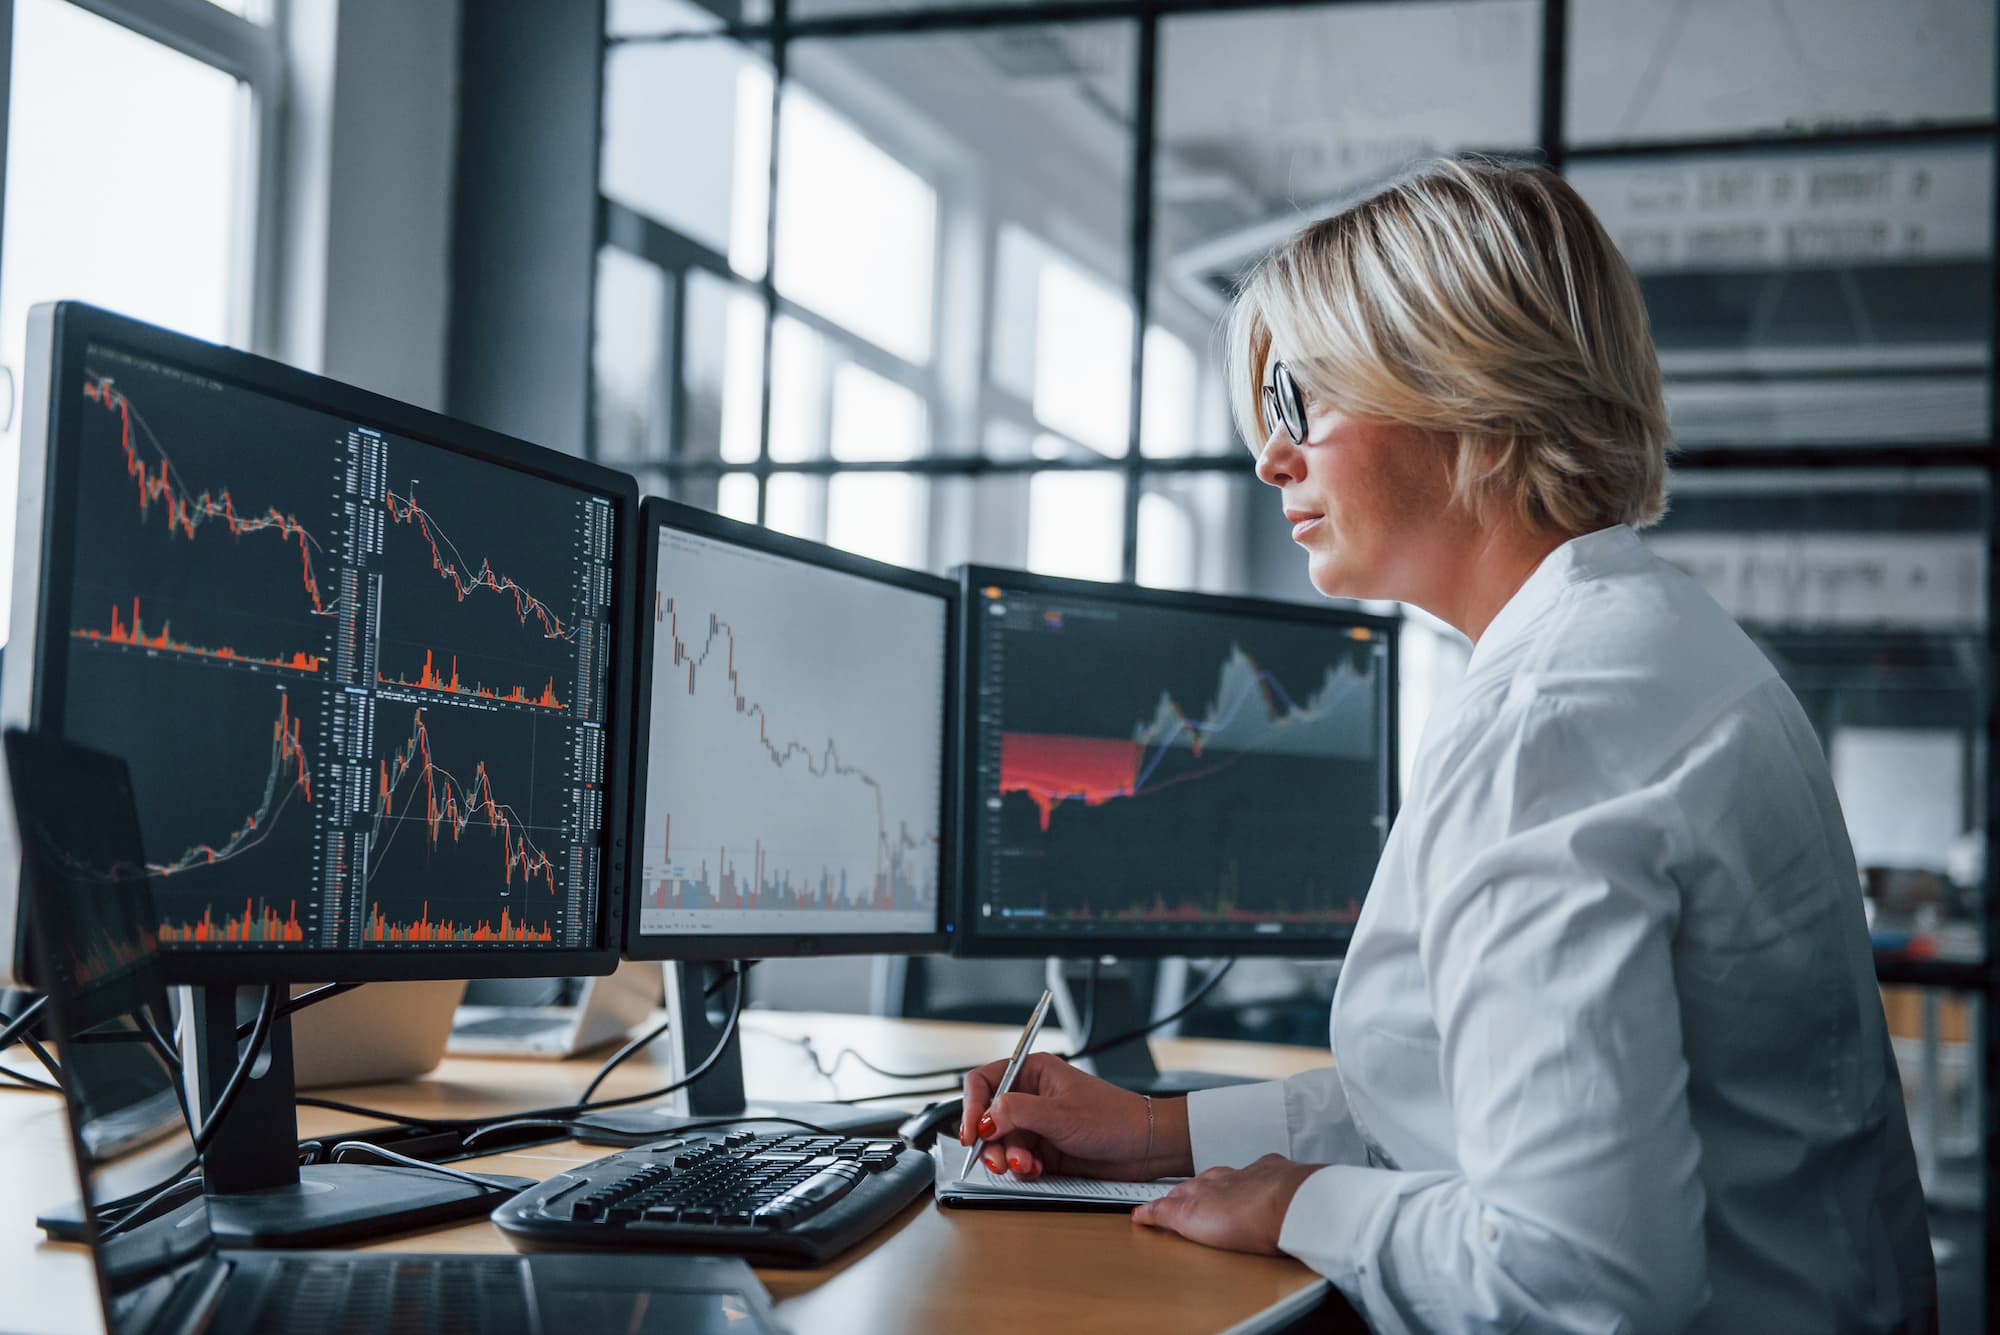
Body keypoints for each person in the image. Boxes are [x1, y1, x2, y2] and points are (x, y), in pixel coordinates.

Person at [959, 157, 1937, 1334]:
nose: (1270, 459)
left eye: (1299, 405)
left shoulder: (1550, 721)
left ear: (1460, 390)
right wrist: (1154, 1131)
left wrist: (1301, 1206)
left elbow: (1575, 1280)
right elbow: (1463, 1106)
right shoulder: (1648, 645)